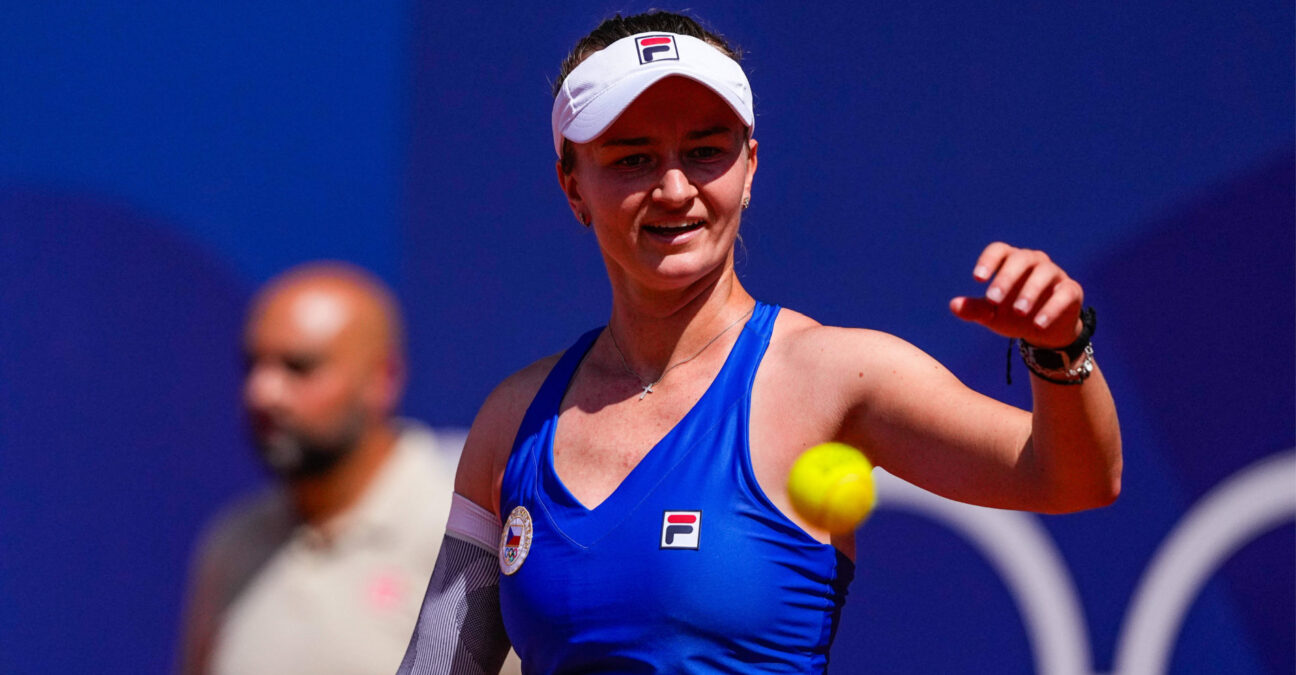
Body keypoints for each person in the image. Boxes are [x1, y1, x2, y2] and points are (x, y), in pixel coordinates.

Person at [399, 10, 1121, 674]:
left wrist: (1060, 350)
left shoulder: (833, 376)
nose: (675, 189)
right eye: (632, 159)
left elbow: (1075, 479)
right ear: (572, 187)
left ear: (750, 167)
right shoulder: (514, 421)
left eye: (706, 152)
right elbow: (437, 667)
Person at [177, 262, 521, 675]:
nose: (262, 393)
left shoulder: (470, 519)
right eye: (253, 365)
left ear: (383, 379)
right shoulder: (231, 544)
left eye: (298, 367)